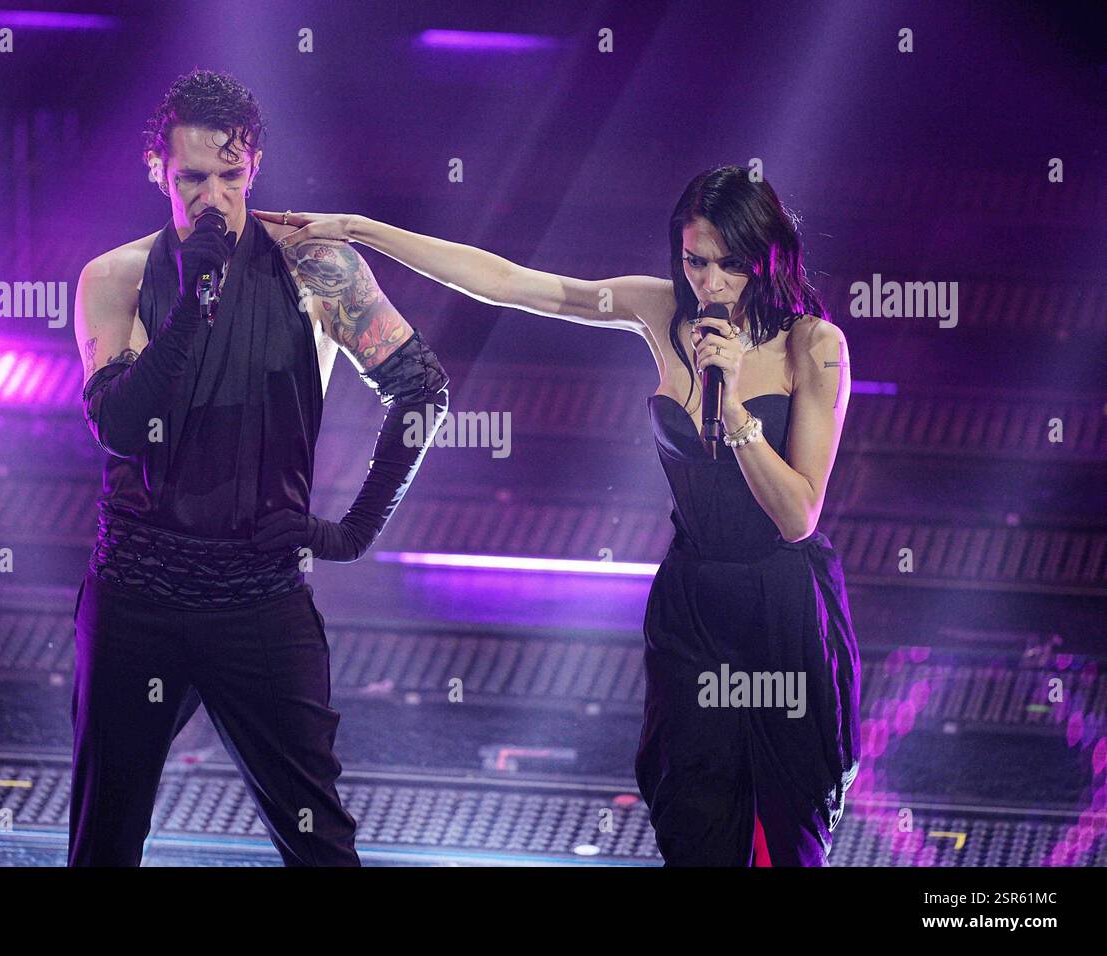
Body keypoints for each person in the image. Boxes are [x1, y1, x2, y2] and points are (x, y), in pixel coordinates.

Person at [255, 165, 860, 866]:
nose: (712, 282)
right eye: (697, 261)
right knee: (694, 826)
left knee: (789, 838)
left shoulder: (813, 347)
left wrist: (732, 413)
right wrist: (357, 229)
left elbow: (798, 516)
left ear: (766, 256)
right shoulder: (659, 311)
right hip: (693, 605)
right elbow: (513, 283)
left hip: (782, 610)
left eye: (730, 264)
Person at [69, 69, 449, 866]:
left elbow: (422, 387)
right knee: (104, 840)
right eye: (193, 180)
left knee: (320, 844)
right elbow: (122, 425)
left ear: (256, 168)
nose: (214, 197)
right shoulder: (115, 278)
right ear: (157, 173)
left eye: (231, 177)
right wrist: (193, 296)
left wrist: (351, 532)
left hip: (259, 596)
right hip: (139, 595)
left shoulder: (316, 267)